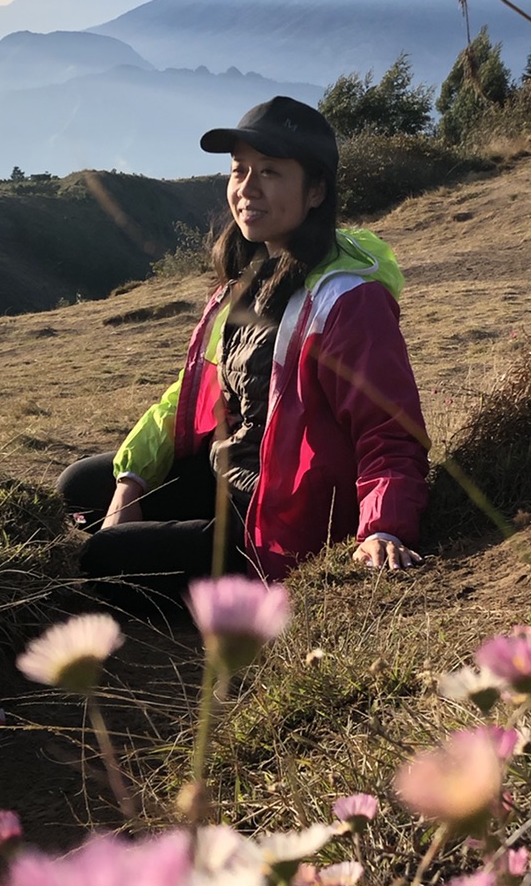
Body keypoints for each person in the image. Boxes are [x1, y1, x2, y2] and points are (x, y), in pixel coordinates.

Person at [58, 96, 430, 594]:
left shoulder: (346, 300)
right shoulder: (249, 279)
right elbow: (191, 394)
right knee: (80, 486)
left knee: (102, 559)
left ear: (315, 191)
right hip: (232, 472)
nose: (247, 189)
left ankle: (240, 579)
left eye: (271, 172)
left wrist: (383, 527)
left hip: (287, 511)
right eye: (239, 171)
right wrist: (131, 482)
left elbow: (390, 431)